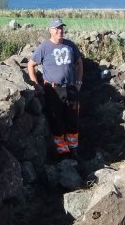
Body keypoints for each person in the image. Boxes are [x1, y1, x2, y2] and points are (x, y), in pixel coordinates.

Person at [27, 18, 84, 159]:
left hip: (71, 88)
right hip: (53, 90)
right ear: (50, 30)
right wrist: (36, 84)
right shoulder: (44, 47)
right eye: (57, 28)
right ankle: (62, 152)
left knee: (72, 119)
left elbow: (79, 63)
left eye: (62, 28)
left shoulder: (70, 45)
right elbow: (31, 65)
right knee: (56, 120)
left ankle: (73, 149)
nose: (60, 31)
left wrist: (78, 82)